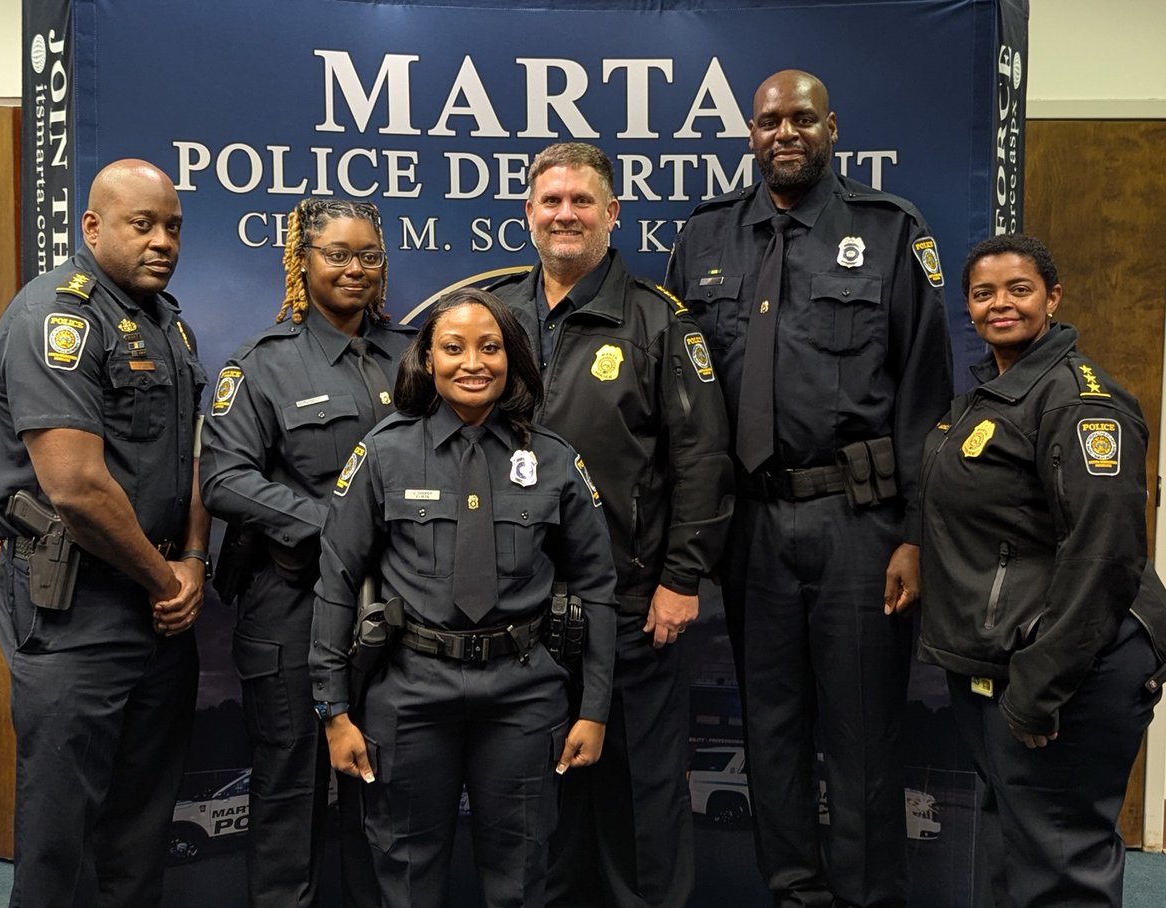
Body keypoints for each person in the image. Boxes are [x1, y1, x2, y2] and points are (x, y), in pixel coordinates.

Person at [664, 70, 953, 907]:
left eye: (801, 120)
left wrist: (913, 535)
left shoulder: (889, 231)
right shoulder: (708, 237)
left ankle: (869, 898)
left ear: (833, 128)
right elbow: (683, 399)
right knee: (771, 731)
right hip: (751, 526)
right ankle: (792, 893)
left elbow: (926, 399)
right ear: (750, 134)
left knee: (864, 734)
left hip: (859, 522)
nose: (784, 133)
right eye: (768, 122)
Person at [309, 288, 619, 907]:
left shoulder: (552, 459)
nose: (472, 362)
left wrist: (595, 709)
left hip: (524, 691)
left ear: (513, 360)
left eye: (490, 347)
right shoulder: (385, 451)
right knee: (405, 871)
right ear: (426, 358)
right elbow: (337, 579)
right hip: (411, 689)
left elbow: (598, 586)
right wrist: (334, 711)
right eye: (453, 347)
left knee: (525, 874)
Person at [489, 142, 734, 908]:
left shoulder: (660, 323)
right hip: (517, 606)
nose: (566, 213)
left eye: (582, 201)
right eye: (551, 200)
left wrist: (681, 578)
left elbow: (703, 458)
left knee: (642, 807)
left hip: (629, 607)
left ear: (613, 214)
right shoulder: (494, 317)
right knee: (539, 807)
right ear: (528, 213)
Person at [918, 234, 1166, 908]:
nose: (1001, 304)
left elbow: (1105, 557)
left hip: (1066, 669)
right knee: (1018, 851)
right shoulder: (994, 394)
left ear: (1052, 298)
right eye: (983, 293)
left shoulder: (1079, 402)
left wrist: (1039, 685)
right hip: (1005, 663)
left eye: (1018, 289)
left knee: (1060, 864)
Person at [0, 159, 208, 908]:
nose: (161, 241)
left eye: (171, 226)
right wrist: (165, 578)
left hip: (157, 609)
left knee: (141, 830)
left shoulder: (165, 322)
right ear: (92, 226)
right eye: (141, 224)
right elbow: (75, 487)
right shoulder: (57, 315)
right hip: (74, 611)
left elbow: (196, 453)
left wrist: (193, 560)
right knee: (62, 835)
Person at [199, 198, 414, 907]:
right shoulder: (263, 365)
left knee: (382, 798)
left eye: (370, 256)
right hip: (291, 608)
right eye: (338, 254)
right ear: (302, 261)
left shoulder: (414, 353)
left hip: (395, 612)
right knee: (290, 796)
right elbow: (225, 479)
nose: (356, 269)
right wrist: (337, 527)